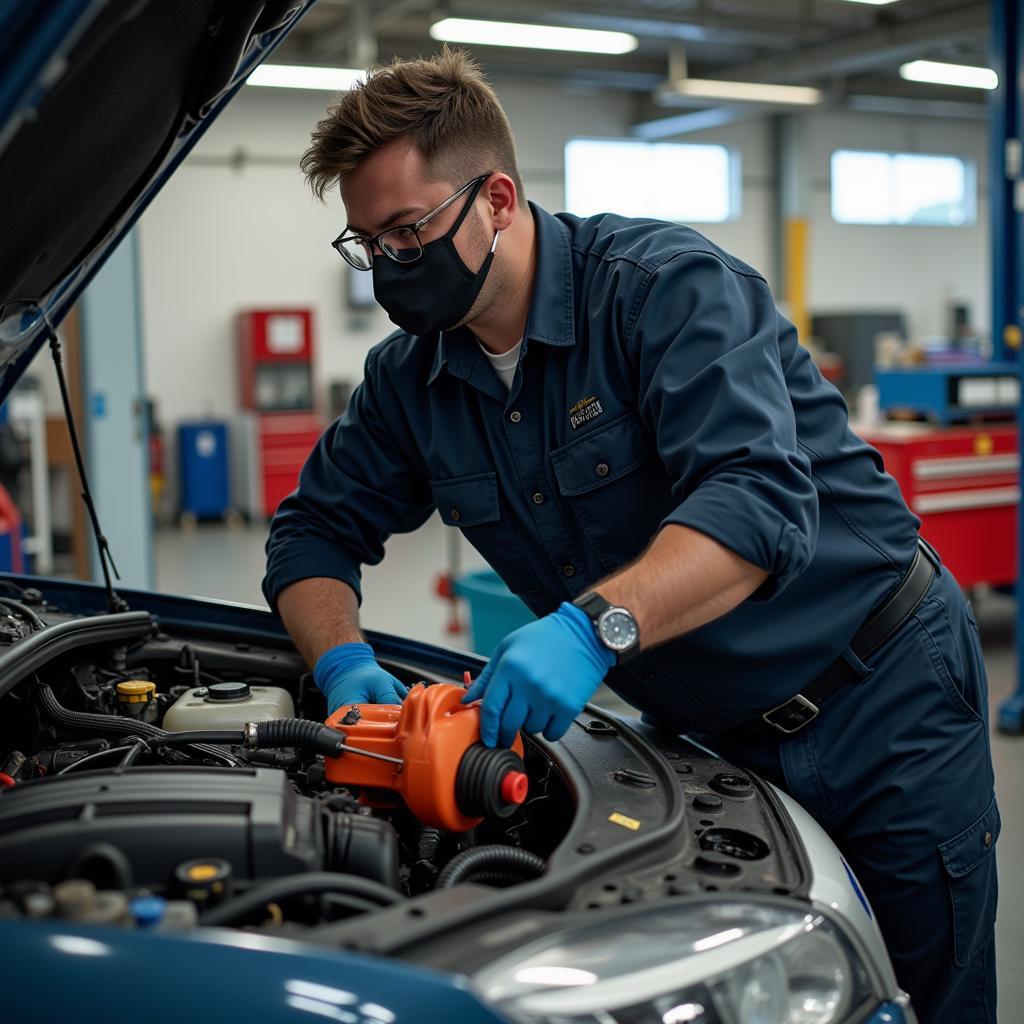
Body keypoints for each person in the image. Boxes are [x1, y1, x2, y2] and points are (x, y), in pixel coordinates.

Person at [263, 48, 997, 1022]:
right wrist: (343, 662)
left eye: (408, 232)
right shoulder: (411, 381)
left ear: (496, 198)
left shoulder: (663, 291)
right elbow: (311, 532)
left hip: (879, 698)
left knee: (923, 994)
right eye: (366, 245)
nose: (391, 266)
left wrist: (589, 630)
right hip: (708, 735)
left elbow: (753, 503)